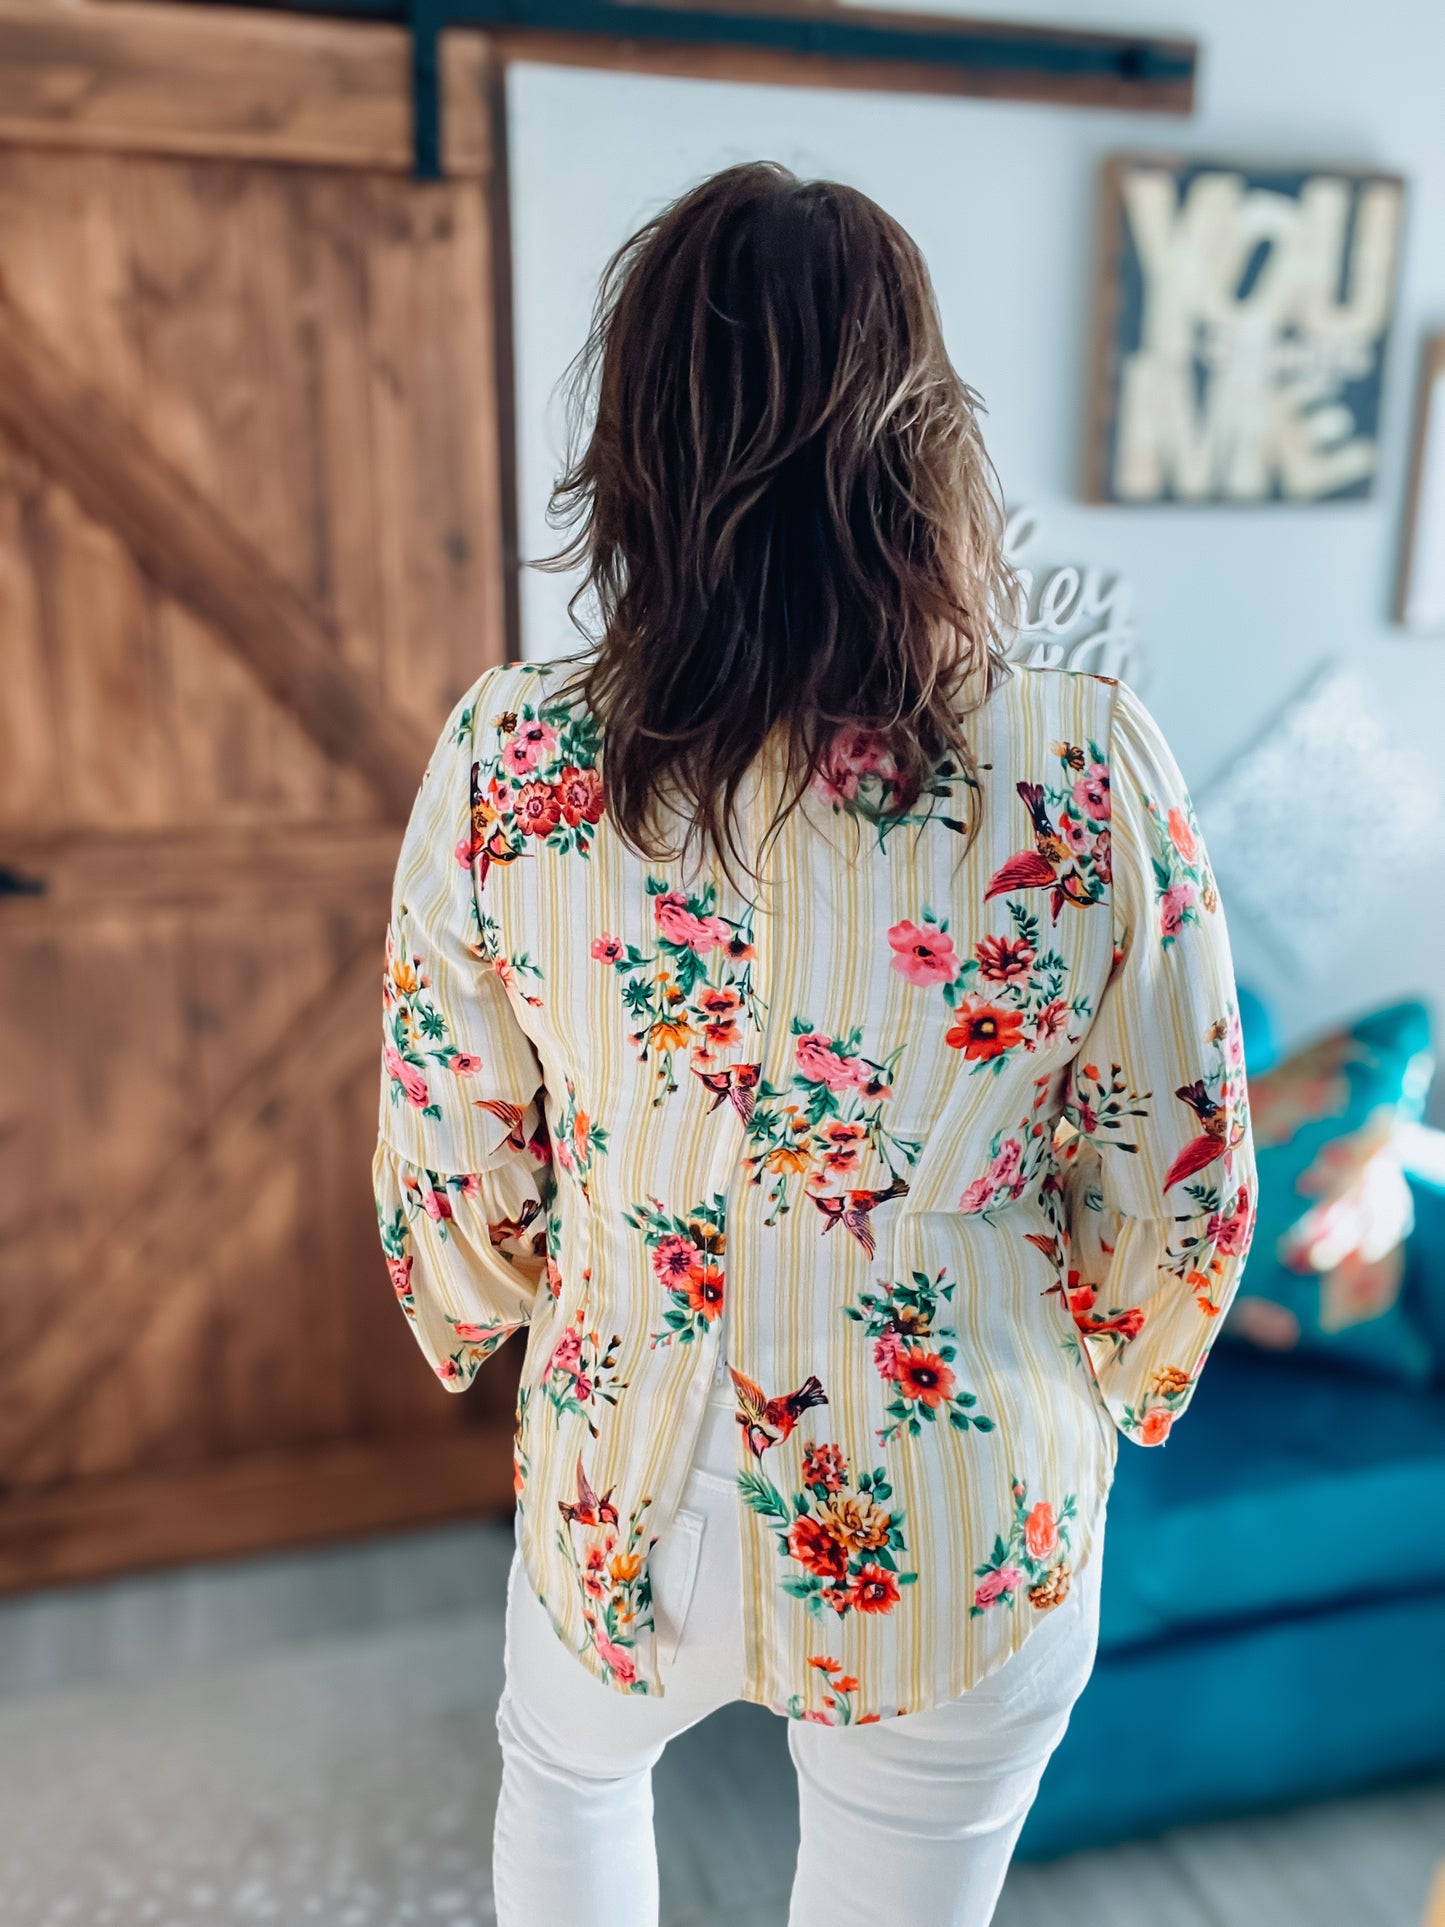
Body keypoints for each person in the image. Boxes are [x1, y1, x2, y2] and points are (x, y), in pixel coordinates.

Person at [373, 162, 1256, 1927]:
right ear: (923, 434)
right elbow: (1177, 1176)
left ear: (633, 441)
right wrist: (1091, 1350)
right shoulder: (1077, 759)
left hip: (627, 1455)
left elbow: (453, 1151)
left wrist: (540, 1281)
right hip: (956, 1483)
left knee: (569, 1780)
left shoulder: (511, 756)